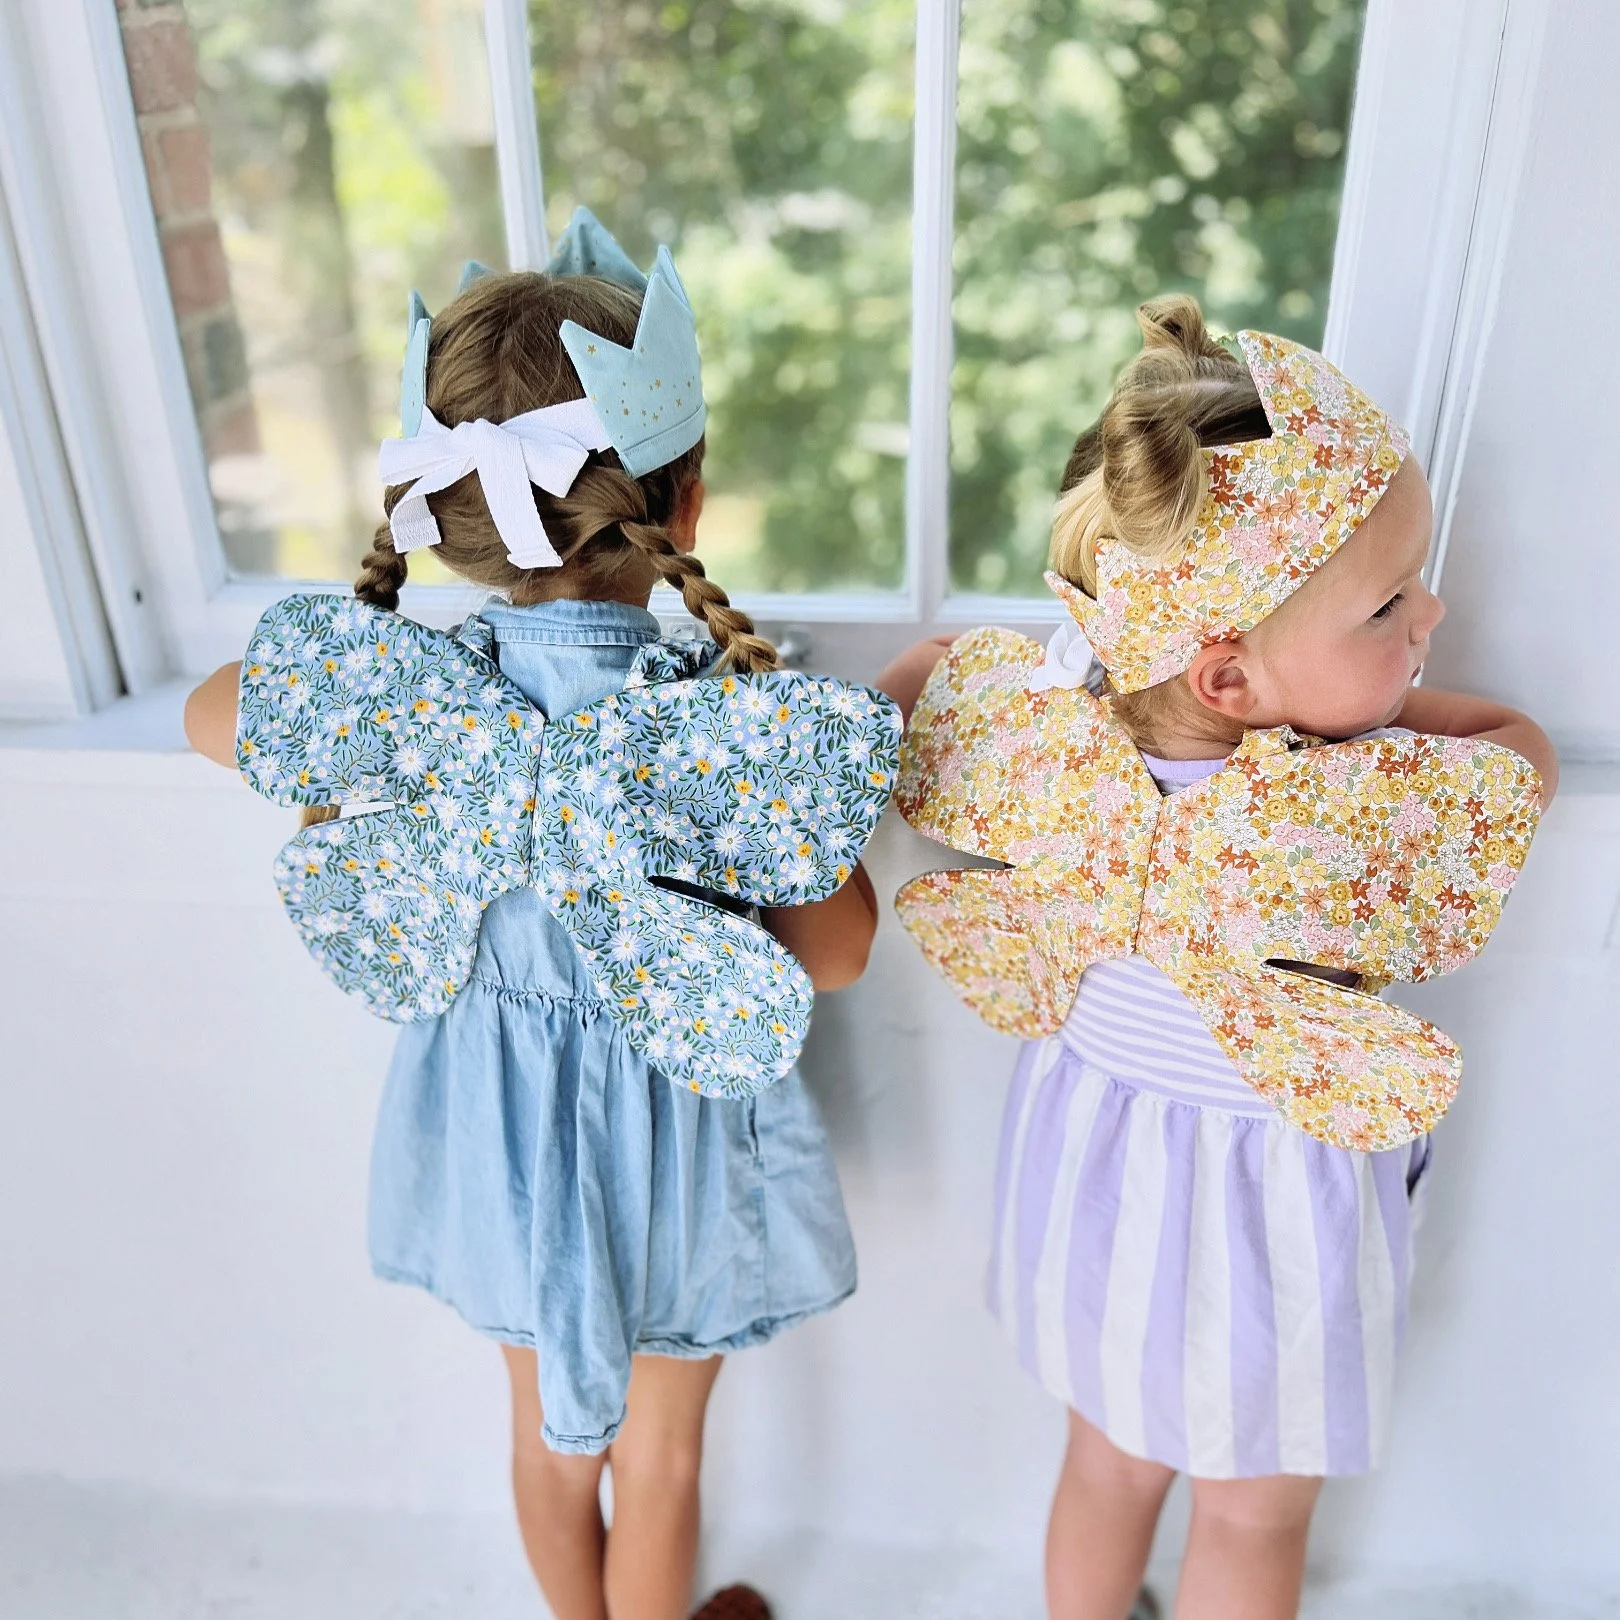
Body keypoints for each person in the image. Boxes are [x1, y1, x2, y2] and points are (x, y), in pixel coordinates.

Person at [184, 211, 896, 1620]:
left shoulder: (423, 703)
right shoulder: (719, 725)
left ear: (440, 521)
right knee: (665, 1455)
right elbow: (839, 952)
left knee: (542, 1445)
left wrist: (412, 739)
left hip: (491, 1126)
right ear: (685, 500)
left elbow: (216, 716)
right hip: (676, 1123)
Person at [877, 295, 1555, 1620]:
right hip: (1276, 1191)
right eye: (1389, 606)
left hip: (1092, 1157)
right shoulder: (1359, 803)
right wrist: (1388, 718)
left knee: (1105, 1465)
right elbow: (1519, 755)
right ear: (1230, 680)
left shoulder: (1065, 714)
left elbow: (936, 668)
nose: (1432, 611)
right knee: (1251, 1514)